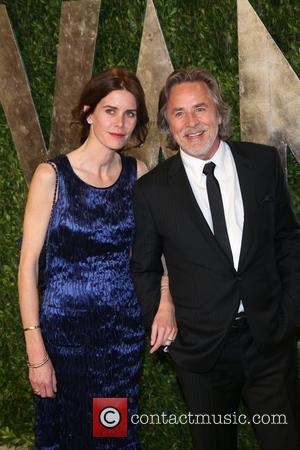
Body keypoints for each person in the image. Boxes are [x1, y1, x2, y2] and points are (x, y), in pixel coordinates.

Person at [131, 68, 300, 450]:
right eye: (179, 113)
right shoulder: (151, 191)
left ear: (219, 114)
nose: (191, 123)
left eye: (200, 109)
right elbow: (143, 266)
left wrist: (290, 312)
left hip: (269, 339)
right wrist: (164, 321)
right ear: (167, 124)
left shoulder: (262, 163)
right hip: (200, 352)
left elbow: (287, 238)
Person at [18, 67, 176, 450]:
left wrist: (166, 302)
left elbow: (159, 252)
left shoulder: (137, 173)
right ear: (89, 112)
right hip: (62, 339)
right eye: (110, 110)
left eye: (130, 113)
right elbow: (27, 269)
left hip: (121, 339)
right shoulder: (51, 177)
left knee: (113, 432)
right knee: (68, 434)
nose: (120, 123)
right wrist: (35, 351)